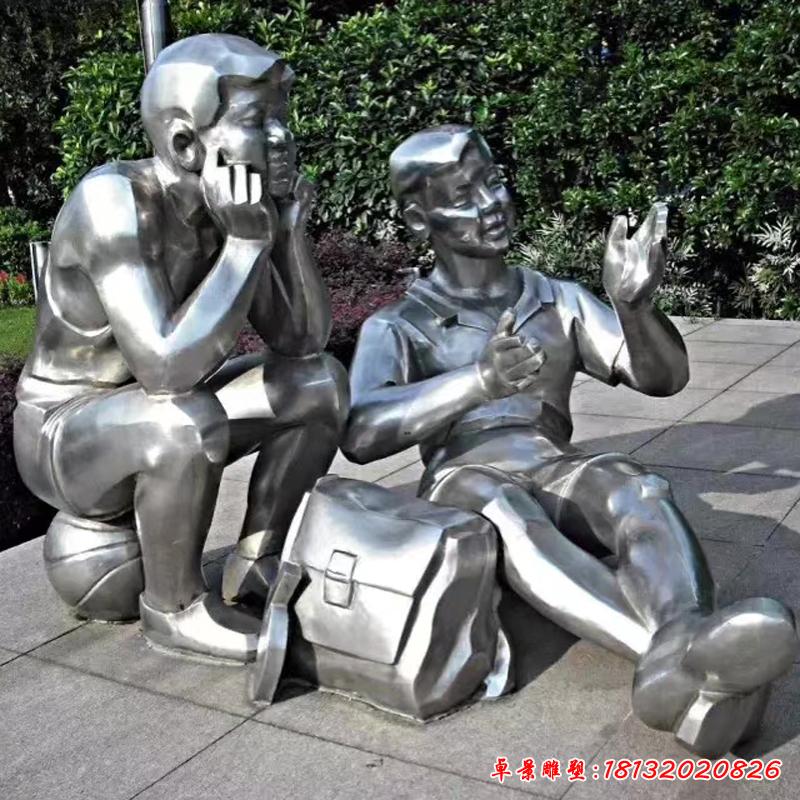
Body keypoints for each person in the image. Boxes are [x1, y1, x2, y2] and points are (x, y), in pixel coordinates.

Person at [342, 124, 797, 754]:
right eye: (464, 195)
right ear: (420, 220)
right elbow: (361, 432)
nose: (491, 204)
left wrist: (634, 308)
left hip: (553, 463)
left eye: (493, 182)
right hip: (463, 477)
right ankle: (672, 661)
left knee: (634, 486)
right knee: (507, 512)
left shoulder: (556, 299)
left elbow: (662, 379)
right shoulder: (399, 323)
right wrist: (477, 381)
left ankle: (685, 642)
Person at [14, 34, 348, 662]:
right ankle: (174, 610)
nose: (282, 137)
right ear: (187, 144)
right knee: (181, 419)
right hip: (64, 430)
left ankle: (259, 562)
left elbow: (302, 340)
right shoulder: (113, 201)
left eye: (282, 116)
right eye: (258, 120)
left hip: (161, 405)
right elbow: (165, 369)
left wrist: (286, 234)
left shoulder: (231, 205)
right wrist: (245, 246)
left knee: (318, 384)